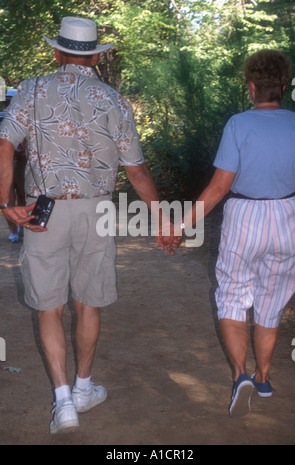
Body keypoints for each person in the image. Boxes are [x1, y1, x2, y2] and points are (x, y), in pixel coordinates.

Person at [0, 16, 181, 434]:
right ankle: (83, 386)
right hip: (97, 210)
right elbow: (137, 171)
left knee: (49, 306)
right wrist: (162, 219)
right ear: (96, 56)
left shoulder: (32, 89)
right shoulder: (115, 101)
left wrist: (6, 202)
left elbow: (5, 143)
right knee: (88, 302)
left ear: (56, 51)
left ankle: (63, 401)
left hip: (43, 211)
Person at [181, 49, 295, 418]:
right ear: (283, 86)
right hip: (290, 216)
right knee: (272, 301)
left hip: (245, 214)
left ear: (251, 87)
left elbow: (218, 188)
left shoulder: (238, 124)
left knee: (233, 298)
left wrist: (180, 227)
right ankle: (264, 378)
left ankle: (240, 376)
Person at [1, 90, 27, 243]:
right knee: (8, 196)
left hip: (22, 160)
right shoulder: (2, 116)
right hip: (6, 160)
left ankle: (20, 225)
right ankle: (14, 230)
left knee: (22, 194)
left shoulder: (23, 116)